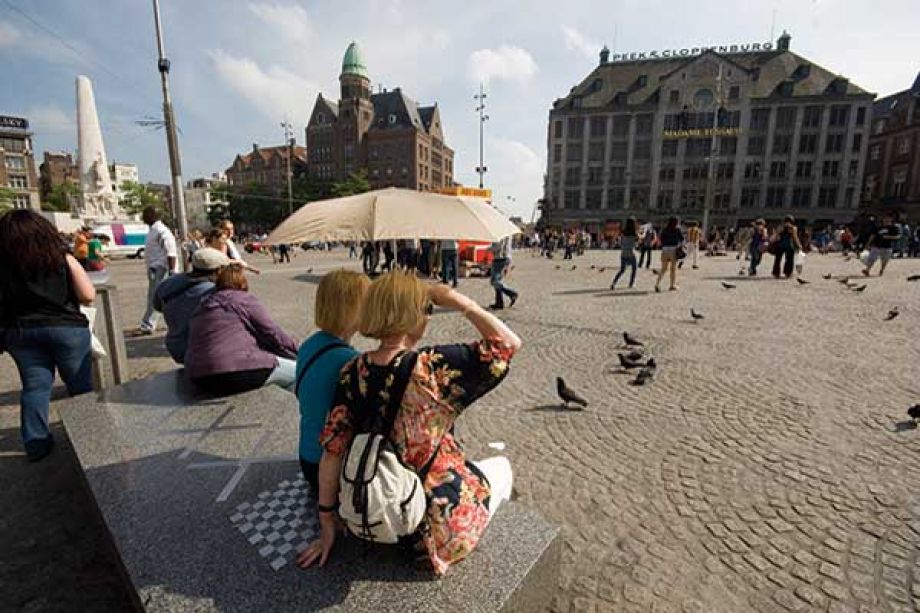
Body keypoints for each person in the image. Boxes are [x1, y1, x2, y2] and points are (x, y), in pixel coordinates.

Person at [296, 272, 522, 575]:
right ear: (413, 315)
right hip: (437, 525)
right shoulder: (431, 367)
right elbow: (508, 343)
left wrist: (327, 524)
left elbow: (333, 451)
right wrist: (460, 301)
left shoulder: (352, 370)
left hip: (374, 517)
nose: (428, 317)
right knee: (502, 468)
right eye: (426, 309)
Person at [0, 210, 96, 461]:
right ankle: (90, 436)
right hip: (66, 328)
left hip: (20, 331)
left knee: (35, 388)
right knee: (79, 385)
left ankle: (36, 444)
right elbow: (88, 294)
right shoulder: (62, 258)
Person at [295, 270, 370, 492]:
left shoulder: (309, 345)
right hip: (332, 470)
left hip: (307, 456)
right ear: (351, 309)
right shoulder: (349, 361)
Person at [185, 264, 298, 394]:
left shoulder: (203, 305)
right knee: (302, 372)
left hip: (199, 376)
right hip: (236, 370)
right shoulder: (243, 299)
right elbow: (273, 333)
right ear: (242, 282)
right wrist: (302, 350)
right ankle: (308, 411)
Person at [153, 247, 229, 364]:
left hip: (175, 347)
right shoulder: (214, 292)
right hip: (203, 351)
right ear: (218, 271)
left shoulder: (168, 283)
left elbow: (157, 306)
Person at [139, 206, 178, 335]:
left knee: (156, 296)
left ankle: (148, 323)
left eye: (145, 214)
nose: (143, 217)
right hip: (154, 268)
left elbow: (171, 251)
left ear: (152, 215)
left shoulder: (161, 231)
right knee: (162, 297)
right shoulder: (153, 230)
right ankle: (174, 321)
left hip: (161, 269)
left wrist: (172, 271)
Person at [488, 235, 518, 310]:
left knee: (494, 281)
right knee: (497, 281)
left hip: (501, 258)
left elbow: (498, 247)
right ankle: (499, 303)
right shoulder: (506, 232)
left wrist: (488, 249)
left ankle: (512, 293)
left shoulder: (501, 233)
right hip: (503, 257)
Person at [655, 217, 683, 292]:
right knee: (673, 269)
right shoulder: (677, 230)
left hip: (665, 249)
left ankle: (657, 284)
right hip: (673, 249)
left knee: (664, 268)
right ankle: (672, 285)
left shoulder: (664, 230)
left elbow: (661, 239)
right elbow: (682, 239)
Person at [610, 218, 638, 290]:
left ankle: (614, 283)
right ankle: (631, 284)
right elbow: (638, 242)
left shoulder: (623, 233)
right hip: (631, 253)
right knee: (634, 269)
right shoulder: (634, 233)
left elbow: (620, 242)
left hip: (623, 253)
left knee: (622, 270)